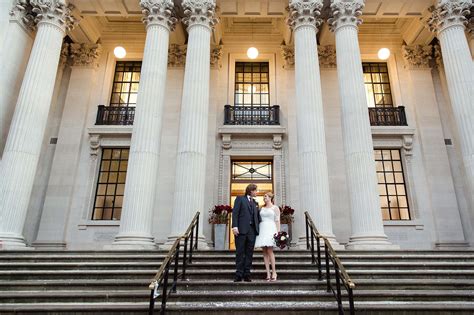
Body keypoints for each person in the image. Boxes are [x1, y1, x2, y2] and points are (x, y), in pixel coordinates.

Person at [232, 184, 261, 282]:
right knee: (240, 253)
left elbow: (257, 218)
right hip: (241, 230)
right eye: (256, 190)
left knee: (249, 253)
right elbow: (235, 213)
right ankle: (238, 274)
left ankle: (247, 274)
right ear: (251, 190)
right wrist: (235, 226)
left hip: (252, 231)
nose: (257, 192)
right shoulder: (240, 199)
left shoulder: (255, 203)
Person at [255, 192, 280, 281]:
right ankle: (268, 273)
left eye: (265, 196)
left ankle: (274, 272)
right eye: (264, 197)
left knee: (270, 251)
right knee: (264, 252)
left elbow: (277, 221)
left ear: (270, 197)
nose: (264, 198)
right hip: (262, 229)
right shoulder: (261, 208)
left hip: (271, 229)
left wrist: (278, 233)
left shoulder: (275, 208)